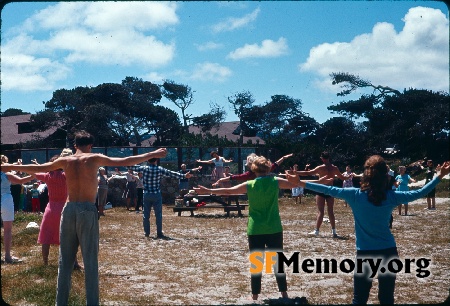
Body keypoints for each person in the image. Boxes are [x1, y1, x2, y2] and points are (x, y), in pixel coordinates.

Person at [1, 130, 168, 306]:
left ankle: (61, 303)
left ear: (75, 146)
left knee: (64, 261)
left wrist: (9, 167)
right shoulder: (94, 158)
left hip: (69, 209)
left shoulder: (65, 161)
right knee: (90, 260)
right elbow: (125, 161)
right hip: (87, 210)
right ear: (90, 145)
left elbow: (38, 169)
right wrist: (153, 153)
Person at [286, 156, 450, 304]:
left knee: (359, 299)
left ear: (365, 174)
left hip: (365, 253)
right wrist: (439, 176)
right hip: (388, 252)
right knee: (386, 299)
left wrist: (299, 183)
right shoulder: (392, 196)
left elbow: (328, 190)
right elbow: (420, 192)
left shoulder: (355, 195)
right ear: (385, 175)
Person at [194, 156, 297, 301]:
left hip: (255, 229)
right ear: (268, 168)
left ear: (253, 169)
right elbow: (295, 185)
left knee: (257, 264)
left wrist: (207, 191)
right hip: (274, 227)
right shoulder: (276, 182)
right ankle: (284, 294)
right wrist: (297, 177)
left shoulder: (250, 184)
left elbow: (228, 191)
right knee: (277, 263)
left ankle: (254, 296)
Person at [34, 151, 82, 269]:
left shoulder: (47, 176)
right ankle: (74, 263)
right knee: (70, 236)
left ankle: (45, 263)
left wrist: (38, 165)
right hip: (65, 208)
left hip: (50, 209)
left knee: (46, 237)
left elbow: (35, 173)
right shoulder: (66, 176)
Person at [128, 158, 192, 239]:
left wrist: (126, 161)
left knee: (146, 215)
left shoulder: (143, 168)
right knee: (158, 215)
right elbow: (171, 173)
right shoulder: (159, 169)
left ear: (148, 161)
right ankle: (159, 233)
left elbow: (130, 167)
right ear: (156, 161)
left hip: (147, 194)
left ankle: (146, 233)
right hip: (156, 194)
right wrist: (183, 175)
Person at [295, 151, 347, 237]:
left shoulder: (320, 168)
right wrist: (349, 177)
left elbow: (308, 173)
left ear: (322, 158)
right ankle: (334, 231)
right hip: (330, 189)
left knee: (320, 212)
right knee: (330, 211)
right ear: (329, 157)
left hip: (321, 189)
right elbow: (342, 177)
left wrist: (296, 172)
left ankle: (317, 231)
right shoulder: (334, 168)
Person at [1, 155, 34, 264]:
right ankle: (7, 256)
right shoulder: (7, 174)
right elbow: (20, 181)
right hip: (6, 199)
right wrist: (33, 175)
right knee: (8, 229)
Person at [212, 153, 293, 187]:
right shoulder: (266, 169)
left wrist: (221, 180)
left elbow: (234, 177)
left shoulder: (249, 175)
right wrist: (283, 158)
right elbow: (276, 164)